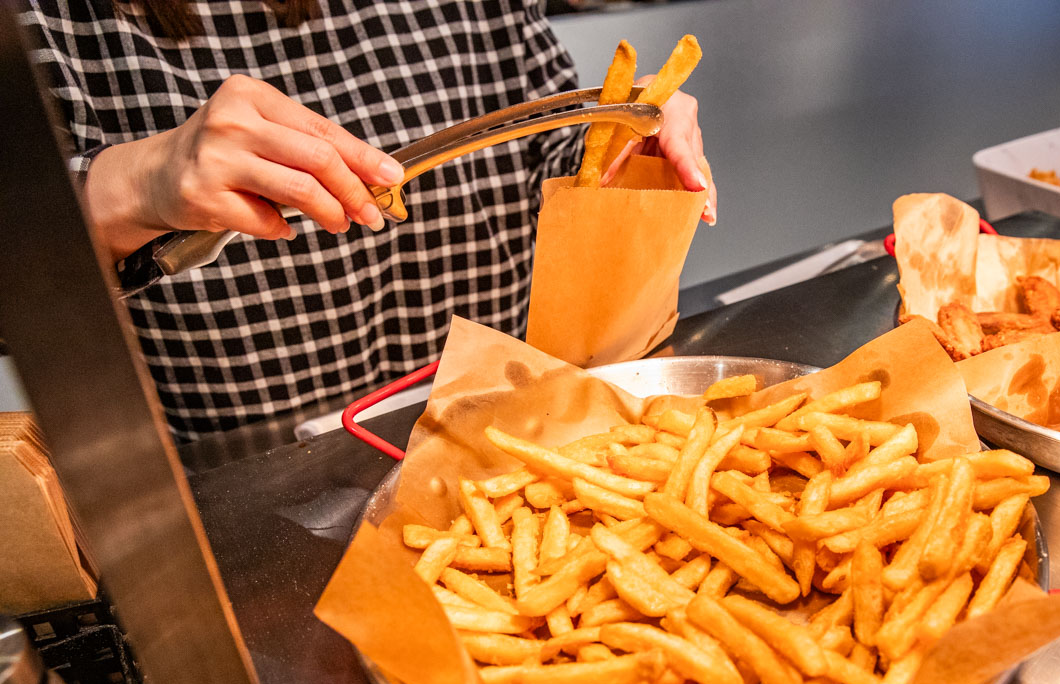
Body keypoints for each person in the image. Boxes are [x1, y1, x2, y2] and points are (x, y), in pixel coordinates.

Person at [23, 0, 715, 441]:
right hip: (250, 480)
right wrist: (132, 184)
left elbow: (553, 147)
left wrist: (626, 153)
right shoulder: (52, 21)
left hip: (515, 424)